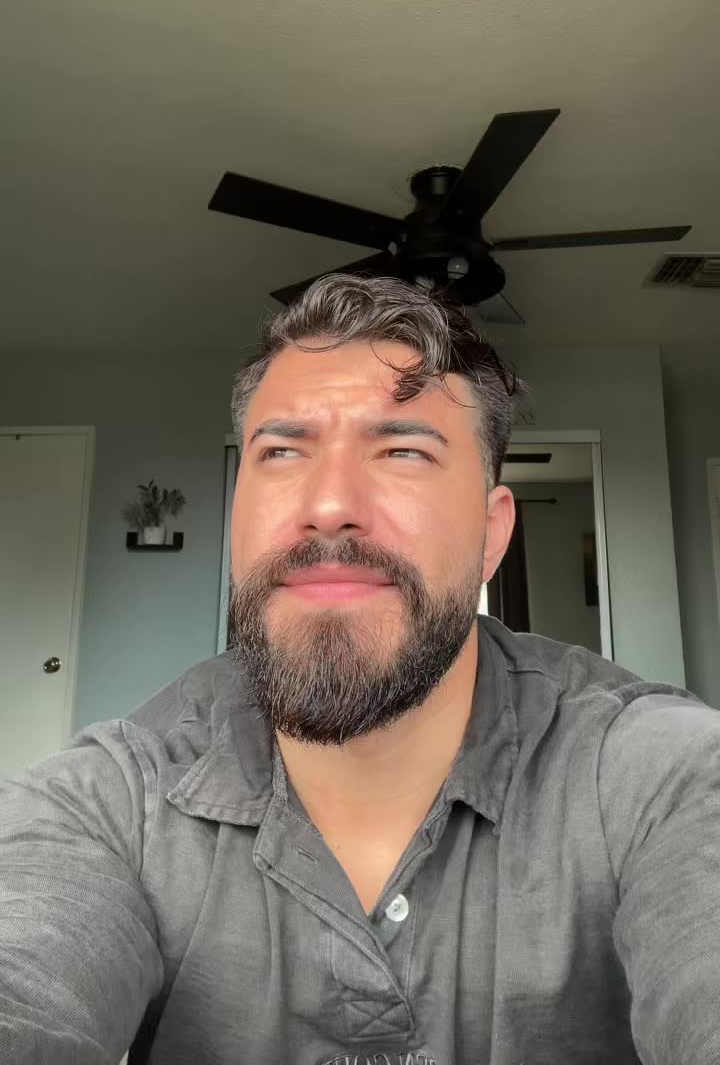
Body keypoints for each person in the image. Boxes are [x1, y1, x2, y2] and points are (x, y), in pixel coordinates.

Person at [1, 275, 719, 1065]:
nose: (328, 504)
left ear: (491, 534)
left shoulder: (664, 780)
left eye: (403, 450)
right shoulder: (104, 806)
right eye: (282, 451)